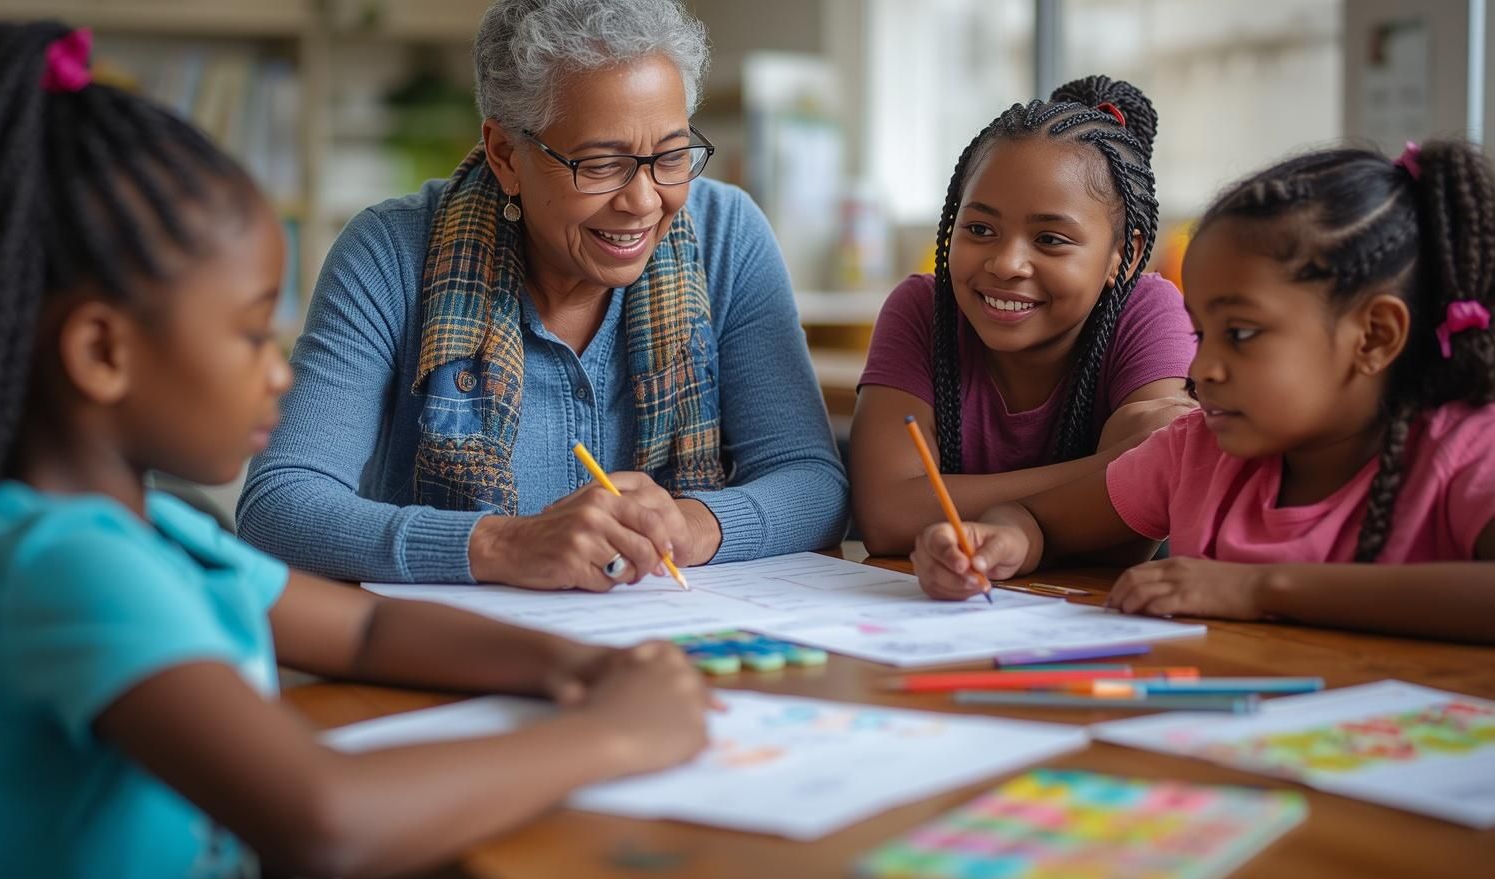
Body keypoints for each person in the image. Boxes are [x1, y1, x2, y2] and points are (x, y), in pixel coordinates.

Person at [0, 23, 711, 879]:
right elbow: (328, 822)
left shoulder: (163, 533)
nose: (280, 372)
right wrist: (615, 735)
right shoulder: (70, 569)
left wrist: (575, 665)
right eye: (251, 335)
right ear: (103, 352)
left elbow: (366, 630)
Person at [236, 0, 849, 590]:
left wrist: (690, 526)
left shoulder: (726, 236)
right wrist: (505, 545)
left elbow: (813, 483)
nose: (642, 201)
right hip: (456, 657)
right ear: (506, 154)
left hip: (673, 647)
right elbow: (281, 503)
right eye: (600, 164)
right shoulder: (391, 251)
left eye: (669, 155)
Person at [913, 141, 1495, 644]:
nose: (1203, 367)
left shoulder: (1465, 453)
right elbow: (1038, 520)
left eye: (1241, 334)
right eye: (1200, 332)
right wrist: (999, 541)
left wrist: (1261, 588)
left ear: (1375, 335)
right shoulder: (1196, 451)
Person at [850, 76, 1197, 556]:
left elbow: (1149, 506)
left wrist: (1139, 471)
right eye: (979, 228)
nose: (1006, 264)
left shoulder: (1146, 311)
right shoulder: (923, 310)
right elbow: (886, 518)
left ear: (1126, 256)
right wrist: (1113, 470)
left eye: (1051, 239)